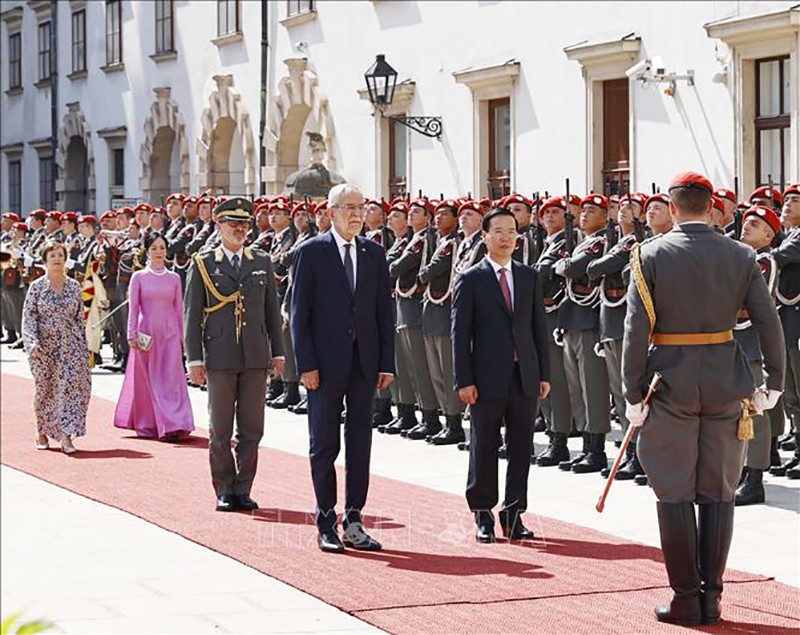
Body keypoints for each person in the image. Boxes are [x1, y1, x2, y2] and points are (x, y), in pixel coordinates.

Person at [622, 172, 784, 625]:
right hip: (724, 381)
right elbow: (768, 322)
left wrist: (632, 393)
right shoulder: (740, 254)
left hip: (669, 383)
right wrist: (773, 382)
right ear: (713, 208)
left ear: (672, 208)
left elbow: (636, 331)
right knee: (718, 491)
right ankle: (711, 597)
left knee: (673, 491)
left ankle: (685, 598)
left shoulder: (648, 255)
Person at [291, 183, 395, 553]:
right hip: (325, 364)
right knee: (324, 444)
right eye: (348, 207)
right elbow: (299, 315)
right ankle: (325, 519)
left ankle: (354, 518)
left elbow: (385, 311)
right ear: (330, 212)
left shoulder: (373, 253)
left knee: (360, 443)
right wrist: (306, 365)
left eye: (360, 207)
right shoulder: (312, 252)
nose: (355, 213)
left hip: (364, 363)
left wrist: (386, 361)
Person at [452, 207, 550, 543]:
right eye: (498, 232)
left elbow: (539, 328)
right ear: (485, 237)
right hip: (484, 378)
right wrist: (463, 380)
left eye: (511, 231)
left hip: (524, 375)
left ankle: (514, 512)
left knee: (521, 446)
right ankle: (483, 513)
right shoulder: (471, 278)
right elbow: (460, 335)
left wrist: (544, 373)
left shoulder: (528, 276)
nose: (506, 237)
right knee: (484, 445)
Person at [184, 198, 285, 512]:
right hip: (220, 356)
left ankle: (244, 488)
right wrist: (194, 359)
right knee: (220, 429)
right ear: (219, 226)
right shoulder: (203, 263)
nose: (240, 229)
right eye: (233, 224)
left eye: (245, 224)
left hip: (255, 356)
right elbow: (192, 314)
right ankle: (225, 488)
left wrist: (278, 352)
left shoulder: (261, 261)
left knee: (253, 428)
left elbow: (272, 312)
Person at [113, 232, 194, 441]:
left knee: (171, 380)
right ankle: (150, 423)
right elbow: (133, 308)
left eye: (162, 248)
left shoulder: (174, 277)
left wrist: (184, 340)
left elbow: (179, 309)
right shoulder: (138, 277)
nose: (159, 252)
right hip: (146, 333)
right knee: (149, 381)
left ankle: (175, 423)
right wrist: (131, 334)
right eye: (154, 248)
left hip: (170, 334)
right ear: (147, 251)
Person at [21, 241, 91, 454]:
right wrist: (32, 344)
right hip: (44, 349)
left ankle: (66, 436)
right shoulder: (37, 287)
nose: (57, 259)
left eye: (60, 255)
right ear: (45, 260)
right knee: (46, 391)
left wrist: (84, 349)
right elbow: (29, 318)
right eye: (52, 255)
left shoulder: (74, 286)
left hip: (71, 348)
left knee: (70, 390)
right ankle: (42, 430)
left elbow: (79, 319)